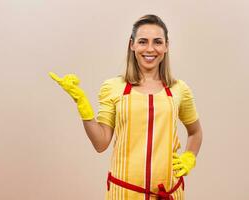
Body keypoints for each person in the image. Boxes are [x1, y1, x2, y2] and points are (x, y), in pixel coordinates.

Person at [49, 14, 203, 200]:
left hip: (169, 193)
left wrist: (190, 157)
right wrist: (82, 102)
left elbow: (195, 132)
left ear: (166, 46)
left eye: (157, 42)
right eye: (143, 41)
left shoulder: (179, 89)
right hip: (124, 193)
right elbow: (101, 143)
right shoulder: (113, 87)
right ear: (132, 45)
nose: (150, 49)